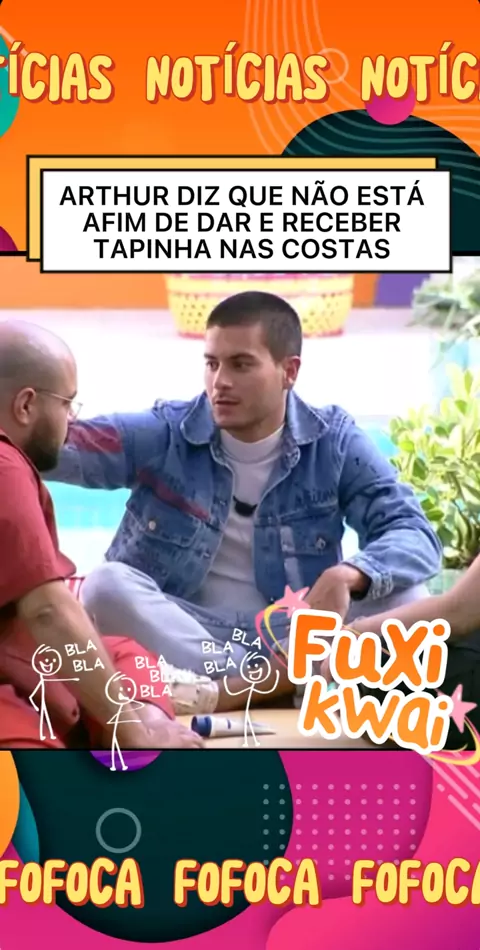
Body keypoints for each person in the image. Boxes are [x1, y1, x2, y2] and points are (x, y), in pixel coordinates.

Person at [47, 291, 441, 714]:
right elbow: (58, 447)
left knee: (410, 598)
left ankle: (248, 685)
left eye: (241, 364)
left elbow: (413, 533)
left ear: (289, 371)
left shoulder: (334, 442)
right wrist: (33, 403)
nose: (220, 382)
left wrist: (351, 574)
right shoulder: (167, 434)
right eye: (212, 363)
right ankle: (277, 683)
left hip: (293, 634)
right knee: (105, 586)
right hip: (192, 631)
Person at [0, 320, 203, 749]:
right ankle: (140, 738)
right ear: (26, 404)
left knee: (125, 653)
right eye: (67, 403)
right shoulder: (5, 466)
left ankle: (145, 726)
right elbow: (47, 612)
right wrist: (131, 731)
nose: (72, 420)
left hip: (26, 661)